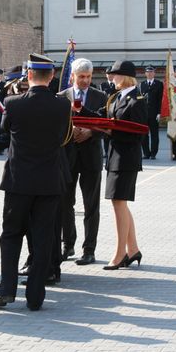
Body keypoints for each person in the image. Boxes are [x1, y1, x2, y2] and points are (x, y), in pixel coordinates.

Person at [0, 53, 71, 311]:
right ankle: (35, 296)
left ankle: (6, 290)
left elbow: (6, 130)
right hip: (49, 182)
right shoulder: (63, 105)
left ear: (28, 75)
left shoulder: (13, 103)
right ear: (51, 77)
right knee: (43, 239)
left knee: (11, 235)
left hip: (18, 182)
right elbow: (62, 136)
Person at [76, 60, 145, 270]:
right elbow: (101, 117)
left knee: (118, 203)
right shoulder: (115, 97)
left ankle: (120, 253)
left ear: (124, 77)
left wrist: (111, 131)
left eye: (115, 75)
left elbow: (139, 132)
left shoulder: (138, 100)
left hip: (127, 158)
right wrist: (80, 110)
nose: (111, 78)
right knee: (120, 203)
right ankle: (133, 250)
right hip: (114, 156)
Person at [59, 58, 107, 266]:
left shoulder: (101, 97)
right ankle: (67, 244)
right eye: (81, 77)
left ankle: (89, 250)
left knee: (91, 205)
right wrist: (72, 132)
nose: (85, 81)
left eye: (88, 77)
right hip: (67, 157)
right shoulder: (61, 98)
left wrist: (90, 132)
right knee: (64, 203)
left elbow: (106, 125)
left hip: (91, 158)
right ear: (73, 76)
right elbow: (56, 126)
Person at [139, 65, 162, 160]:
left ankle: (153, 153)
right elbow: (139, 100)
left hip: (154, 113)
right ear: (145, 74)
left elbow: (161, 99)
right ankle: (146, 153)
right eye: (148, 72)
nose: (149, 74)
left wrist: (159, 112)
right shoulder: (142, 84)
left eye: (151, 72)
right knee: (144, 134)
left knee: (154, 134)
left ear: (154, 73)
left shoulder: (159, 84)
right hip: (144, 113)